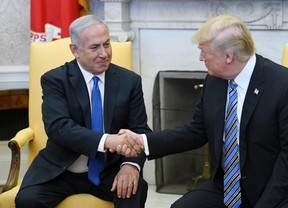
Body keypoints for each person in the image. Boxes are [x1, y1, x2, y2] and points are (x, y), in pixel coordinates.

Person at [117, 14, 288, 208]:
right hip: (227, 187)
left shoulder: (282, 85)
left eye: (204, 52)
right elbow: (196, 131)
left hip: (272, 190)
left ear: (228, 56)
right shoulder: (214, 81)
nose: (200, 58)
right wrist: (142, 142)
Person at [15, 14, 151, 208]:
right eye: (95, 47)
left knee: (135, 189)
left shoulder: (130, 81)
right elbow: (59, 128)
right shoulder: (55, 80)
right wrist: (107, 140)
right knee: (28, 200)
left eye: (107, 44)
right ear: (75, 50)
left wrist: (131, 165)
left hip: (109, 169)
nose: (104, 53)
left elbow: (140, 130)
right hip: (61, 170)